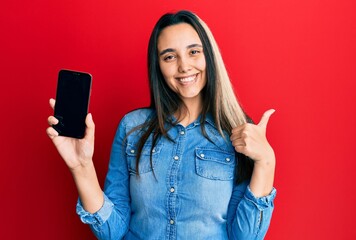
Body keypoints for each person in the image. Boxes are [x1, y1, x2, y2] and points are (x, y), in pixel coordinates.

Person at [46, 10, 276, 240]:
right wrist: (81, 166)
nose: (184, 66)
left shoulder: (238, 133)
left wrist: (266, 161)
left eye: (194, 52)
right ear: (158, 67)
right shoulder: (132, 128)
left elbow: (246, 237)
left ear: (210, 56)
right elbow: (112, 232)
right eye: (169, 57)